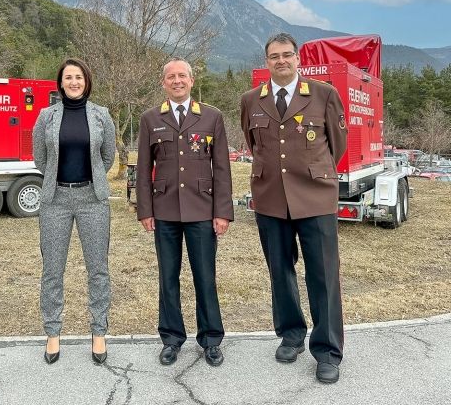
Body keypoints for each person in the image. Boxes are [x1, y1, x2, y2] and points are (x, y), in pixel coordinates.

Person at [239, 32, 348, 384]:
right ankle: (291, 334)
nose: (281, 61)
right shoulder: (250, 100)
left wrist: (312, 173)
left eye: (287, 55)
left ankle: (328, 350)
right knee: (280, 272)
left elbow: (338, 146)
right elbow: (253, 143)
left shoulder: (323, 95)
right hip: (271, 198)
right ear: (266, 62)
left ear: (298, 59)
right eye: (274, 56)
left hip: (315, 197)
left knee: (323, 276)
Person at [136, 58, 234, 367]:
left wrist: (222, 212)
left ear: (191, 81)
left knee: (205, 277)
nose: (177, 81)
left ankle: (211, 339)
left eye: (182, 76)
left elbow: (221, 168)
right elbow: (143, 169)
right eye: (171, 77)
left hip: (202, 210)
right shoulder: (150, 118)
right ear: (163, 83)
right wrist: (145, 210)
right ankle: (171, 338)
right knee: (168, 278)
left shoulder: (211, 117)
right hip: (164, 209)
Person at [32, 58, 116, 365]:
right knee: (52, 270)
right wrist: (60, 181)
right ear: (61, 82)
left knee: (98, 269)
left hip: (92, 199)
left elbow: (108, 158)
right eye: (68, 77)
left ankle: (98, 332)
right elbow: (40, 159)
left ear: (87, 81)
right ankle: (53, 333)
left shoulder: (101, 115)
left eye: (79, 77)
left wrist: (88, 180)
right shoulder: (46, 116)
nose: (74, 82)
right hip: (55, 200)